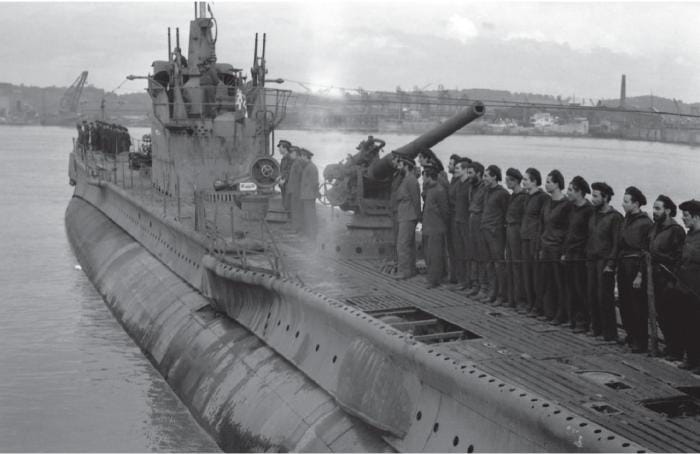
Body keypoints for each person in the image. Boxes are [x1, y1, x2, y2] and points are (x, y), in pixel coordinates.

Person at [648, 195, 686, 360]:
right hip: (655, 277)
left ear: (668, 210)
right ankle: (670, 346)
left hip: (668, 278)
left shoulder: (675, 230)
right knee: (661, 315)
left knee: (672, 315)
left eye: (658, 208)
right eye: (654, 208)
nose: (654, 212)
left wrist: (659, 256)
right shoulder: (655, 228)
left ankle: (676, 350)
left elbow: (679, 257)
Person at [587, 182, 623, 341]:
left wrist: (611, 264)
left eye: (595, 196)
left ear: (606, 197)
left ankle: (610, 334)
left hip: (604, 261)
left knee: (605, 297)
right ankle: (597, 328)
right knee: (592, 294)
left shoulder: (614, 217)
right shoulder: (593, 214)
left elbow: (616, 243)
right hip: (592, 259)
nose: (592, 199)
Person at [618, 186, 653, 352]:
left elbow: (646, 250)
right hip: (623, 264)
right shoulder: (627, 219)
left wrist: (640, 274)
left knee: (637, 304)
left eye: (626, 202)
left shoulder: (645, 223)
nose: (623, 204)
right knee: (625, 302)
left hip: (635, 265)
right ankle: (631, 334)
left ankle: (641, 340)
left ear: (636, 203)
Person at [538, 170, 572, 323]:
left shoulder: (566, 205)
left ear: (557, 184)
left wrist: (564, 251)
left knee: (560, 282)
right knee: (547, 280)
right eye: (546, 181)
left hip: (557, 247)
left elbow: (567, 230)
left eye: (549, 181)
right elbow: (542, 224)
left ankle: (561, 313)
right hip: (546, 245)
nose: (546, 184)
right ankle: (549, 311)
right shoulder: (547, 202)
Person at [563, 176, 593, 332]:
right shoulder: (572, 208)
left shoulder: (588, 211)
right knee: (571, 288)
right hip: (570, 253)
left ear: (579, 192)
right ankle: (573, 318)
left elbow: (589, 234)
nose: (567, 193)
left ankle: (583, 321)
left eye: (570, 190)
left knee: (581, 288)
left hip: (580, 255)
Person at [521, 168, 550, 316]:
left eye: (526, 179)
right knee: (527, 273)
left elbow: (542, 221)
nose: (523, 182)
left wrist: (539, 242)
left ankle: (539, 306)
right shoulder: (527, 196)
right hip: (525, 238)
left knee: (536, 275)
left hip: (535, 239)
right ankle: (530, 303)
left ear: (534, 181)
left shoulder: (542, 197)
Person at [676, 199, 700, 374]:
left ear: (696, 216)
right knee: (687, 324)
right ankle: (690, 358)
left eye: (685, 216)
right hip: (685, 288)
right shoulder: (689, 235)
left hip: (697, 290)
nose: (683, 219)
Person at [479, 165, 509, 304]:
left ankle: (501, 295)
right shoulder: (486, 191)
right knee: (488, 263)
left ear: (494, 177)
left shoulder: (502, 193)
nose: (483, 178)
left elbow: (505, 213)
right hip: (485, 231)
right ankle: (492, 292)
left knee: (498, 264)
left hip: (495, 233)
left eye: (486, 176)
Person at [421, 165, 450, 288]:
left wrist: (443, 225)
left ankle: (434, 280)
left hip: (436, 227)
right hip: (428, 226)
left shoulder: (439, 190)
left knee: (435, 254)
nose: (422, 178)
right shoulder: (430, 190)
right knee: (429, 254)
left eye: (424, 176)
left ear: (428, 177)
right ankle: (431, 278)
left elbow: (445, 211)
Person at [394, 156, 421, 280]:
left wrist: (417, 216)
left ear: (406, 165)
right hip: (405, 214)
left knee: (402, 244)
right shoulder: (406, 179)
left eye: (400, 163)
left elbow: (416, 200)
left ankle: (404, 271)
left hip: (408, 215)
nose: (398, 165)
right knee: (408, 244)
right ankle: (410, 269)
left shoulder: (411, 180)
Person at [504, 167, 527, 308]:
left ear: (515, 181)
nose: (506, 183)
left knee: (517, 266)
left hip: (517, 232)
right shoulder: (512, 196)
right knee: (510, 264)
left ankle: (520, 300)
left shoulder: (522, 198)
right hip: (510, 230)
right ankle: (512, 298)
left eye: (508, 180)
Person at [466, 161, 488, 298]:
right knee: (473, 254)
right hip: (472, 221)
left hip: (480, 223)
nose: (468, 176)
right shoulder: (471, 187)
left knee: (481, 256)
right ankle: (475, 285)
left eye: (471, 173)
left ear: (478, 174)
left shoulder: (484, 188)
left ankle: (484, 287)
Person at [452, 158, 472, 290]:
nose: (455, 170)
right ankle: (461, 280)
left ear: (465, 170)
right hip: (457, 221)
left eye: (458, 168)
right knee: (458, 252)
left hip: (466, 222)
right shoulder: (458, 183)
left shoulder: (469, 185)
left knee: (467, 252)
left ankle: (468, 282)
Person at [446, 154, 462, 284]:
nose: (449, 166)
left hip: (456, 219)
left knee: (457, 249)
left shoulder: (458, 183)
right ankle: (454, 276)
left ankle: (457, 277)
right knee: (452, 248)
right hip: (451, 218)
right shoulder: (454, 181)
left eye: (452, 165)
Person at [299, 148, 319, 239]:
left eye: (302, 156)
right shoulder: (308, 166)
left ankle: (312, 236)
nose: (300, 158)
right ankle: (309, 235)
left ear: (305, 156)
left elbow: (315, 183)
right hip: (306, 195)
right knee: (307, 215)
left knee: (310, 216)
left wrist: (315, 193)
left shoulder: (311, 167)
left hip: (309, 196)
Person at [287, 146, 307, 232]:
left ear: (295, 153)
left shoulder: (298, 162)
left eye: (291, 153)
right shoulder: (297, 162)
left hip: (297, 190)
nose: (290, 155)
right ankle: (298, 227)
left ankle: (296, 228)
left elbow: (301, 176)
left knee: (296, 209)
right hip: (296, 189)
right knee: (296, 208)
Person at [277, 140, 293, 211]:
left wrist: (284, 179)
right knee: (285, 200)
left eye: (280, 147)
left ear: (285, 148)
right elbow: (284, 170)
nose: (279, 149)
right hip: (284, 184)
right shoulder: (284, 158)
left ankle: (289, 217)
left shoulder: (289, 158)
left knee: (287, 201)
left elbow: (290, 170)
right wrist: (280, 176)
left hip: (288, 183)